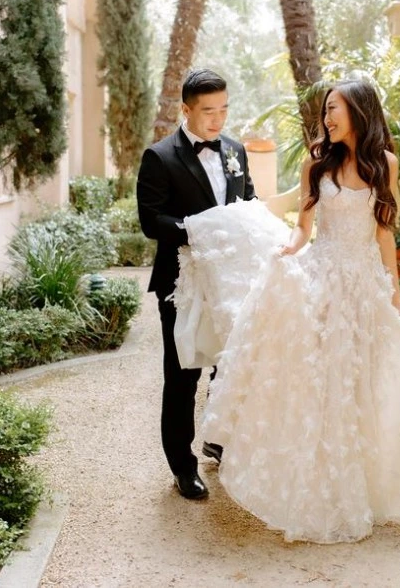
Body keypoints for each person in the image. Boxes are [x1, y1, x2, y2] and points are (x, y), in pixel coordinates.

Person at [179, 79, 400, 543]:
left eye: (337, 109)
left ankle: (366, 485)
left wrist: (396, 297)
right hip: (323, 278)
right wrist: (288, 251)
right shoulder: (316, 162)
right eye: (326, 109)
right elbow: (303, 228)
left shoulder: (385, 163)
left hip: (363, 284)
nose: (328, 117)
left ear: (360, 113)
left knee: (361, 379)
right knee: (324, 380)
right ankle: (320, 482)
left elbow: (385, 233)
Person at [136, 69, 256, 500]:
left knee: (230, 363)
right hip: (181, 283)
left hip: (231, 280)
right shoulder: (160, 157)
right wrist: (202, 231)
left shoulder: (236, 150)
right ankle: (183, 467)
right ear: (186, 110)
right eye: (209, 111)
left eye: (223, 109)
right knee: (184, 371)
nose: (218, 120)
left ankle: (218, 441)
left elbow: (248, 202)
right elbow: (152, 222)